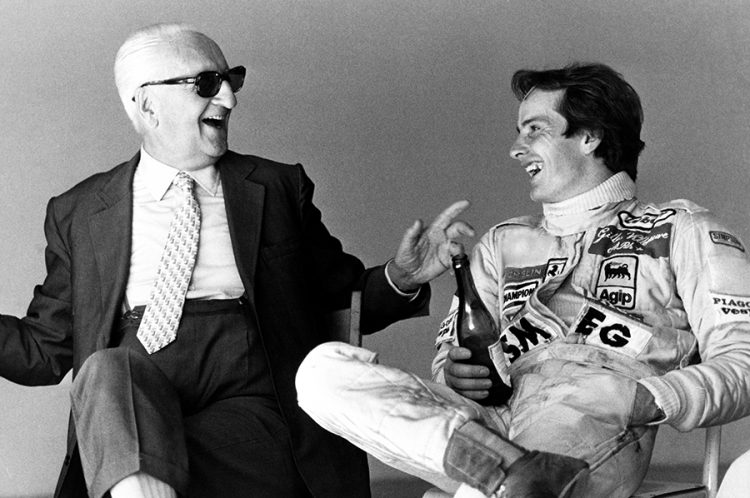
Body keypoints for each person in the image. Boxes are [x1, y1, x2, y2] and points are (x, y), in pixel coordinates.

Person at [0, 23, 474, 498]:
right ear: (147, 105)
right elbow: (46, 349)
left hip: (252, 401)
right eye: (207, 83)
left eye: (232, 80)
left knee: (139, 460)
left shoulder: (277, 188)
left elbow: (341, 299)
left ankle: (138, 480)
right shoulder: (80, 211)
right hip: (135, 397)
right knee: (105, 372)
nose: (228, 99)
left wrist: (403, 276)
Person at [296, 62, 750, 497]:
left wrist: (646, 397)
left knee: (494, 487)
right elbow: (451, 361)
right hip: (485, 424)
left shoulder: (683, 229)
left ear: (589, 136)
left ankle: (510, 477)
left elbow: (744, 363)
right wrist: (456, 373)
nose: (516, 148)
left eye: (535, 129)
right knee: (322, 371)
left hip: (589, 418)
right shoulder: (501, 243)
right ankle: (515, 475)